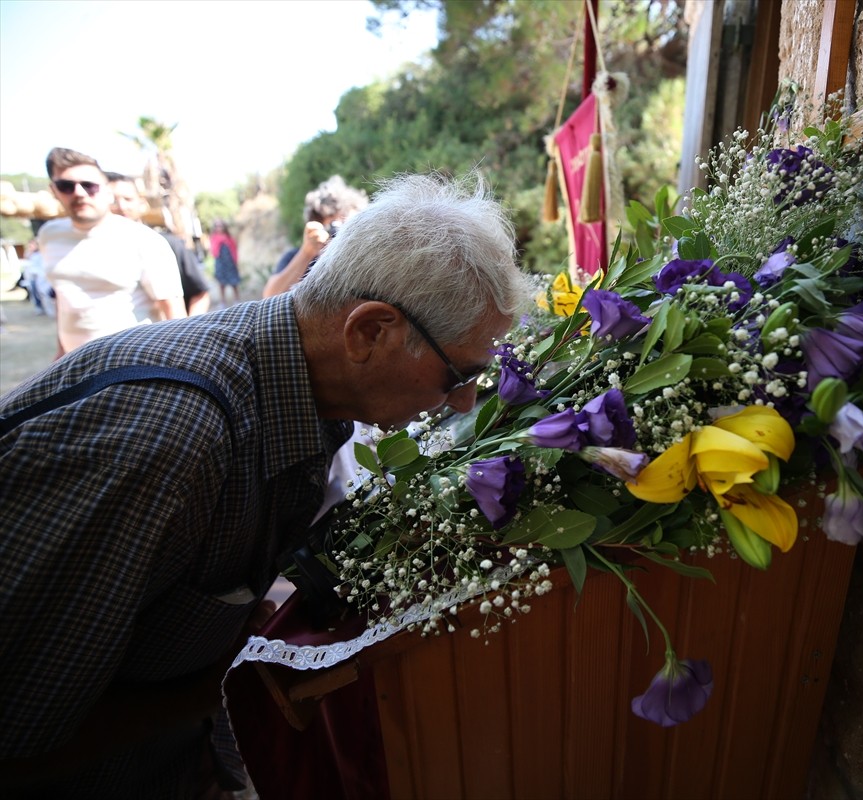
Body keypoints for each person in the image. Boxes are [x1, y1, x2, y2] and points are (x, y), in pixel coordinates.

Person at [0, 171, 528, 798]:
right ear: (369, 332)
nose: (463, 400)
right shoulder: (177, 441)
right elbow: (16, 721)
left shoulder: (308, 393)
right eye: (458, 375)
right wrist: (225, 684)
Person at [37, 148, 186, 358]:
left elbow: (174, 313)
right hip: (76, 365)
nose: (79, 193)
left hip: (134, 361)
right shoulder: (49, 236)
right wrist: (60, 355)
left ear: (107, 191)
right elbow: (65, 299)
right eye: (66, 186)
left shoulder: (144, 240)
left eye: (89, 186)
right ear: (54, 190)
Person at [108, 172, 212, 315]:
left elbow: (199, 294)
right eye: (112, 200)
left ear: (142, 203)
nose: (121, 206)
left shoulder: (167, 244)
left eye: (128, 199)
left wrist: (189, 331)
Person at [262, 175, 368, 298]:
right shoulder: (298, 257)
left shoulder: (366, 256)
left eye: (349, 227)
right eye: (335, 229)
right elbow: (270, 297)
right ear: (319, 227)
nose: (342, 237)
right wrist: (306, 253)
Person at [209, 220, 240, 306]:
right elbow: (213, 251)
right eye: (217, 226)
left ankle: (236, 300)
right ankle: (222, 301)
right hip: (220, 262)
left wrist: (235, 260)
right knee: (221, 283)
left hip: (230, 262)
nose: (219, 228)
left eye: (220, 226)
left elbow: (234, 249)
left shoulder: (229, 238)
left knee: (234, 282)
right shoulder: (214, 238)